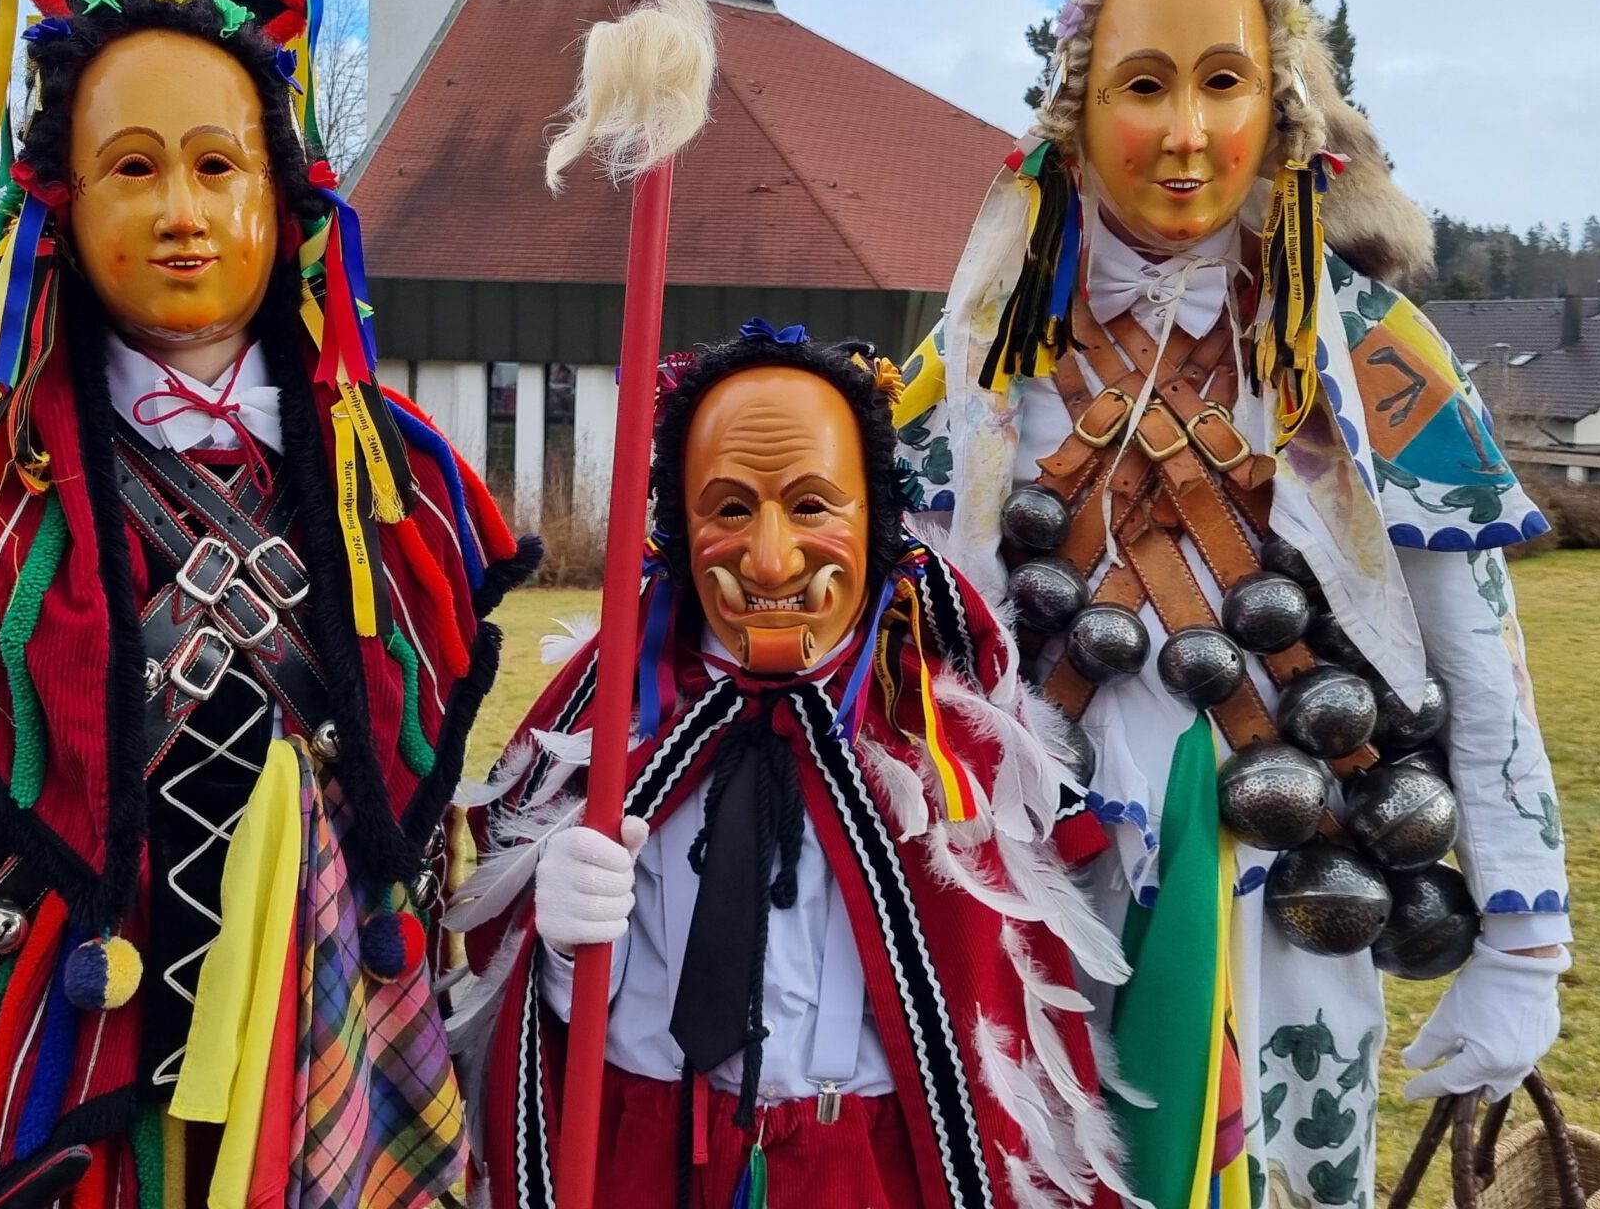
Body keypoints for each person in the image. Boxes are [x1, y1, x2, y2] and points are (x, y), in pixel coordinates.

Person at [0, 0, 534, 1209]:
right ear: (61, 198)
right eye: (133, 167)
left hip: (335, 1077)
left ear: (285, 200)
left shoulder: (396, 477)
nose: (180, 212)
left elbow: (428, 828)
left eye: (219, 167)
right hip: (65, 1101)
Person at [892, 0, 1571, 1209]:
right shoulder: (986, 346)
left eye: (1225, 83)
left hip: (1285, 876)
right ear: (1078, 108)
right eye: (1145, 85)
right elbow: (881, 619)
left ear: (1284, 107)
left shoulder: (1367, 345)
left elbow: (1482, 655)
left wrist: (1526, 938)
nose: (1189, 133)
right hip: (1030, 878)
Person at [451, 324, 1129, 1209]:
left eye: (813, 506)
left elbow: (1002, 994)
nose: (771, 559)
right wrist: (559, 929)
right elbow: (518, 987)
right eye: (729, 509)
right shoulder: (605, 714)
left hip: (865, 1165)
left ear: (876, 519)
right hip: (640, 1151)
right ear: (677, 525)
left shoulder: (946, 744)